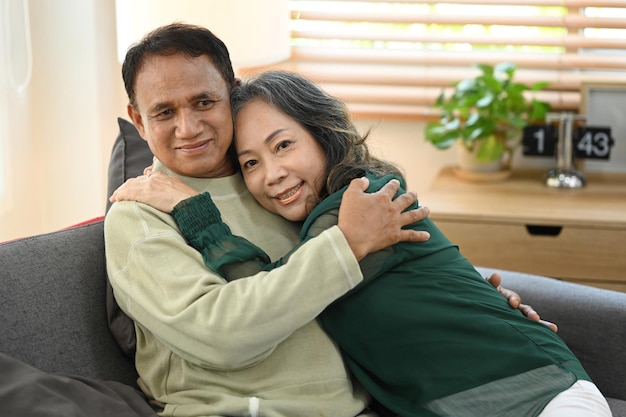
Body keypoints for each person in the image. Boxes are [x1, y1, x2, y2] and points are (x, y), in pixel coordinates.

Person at [111, 70, 612, 417]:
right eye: (250, 163)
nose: (273, 174)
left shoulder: (364, 203)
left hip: (542, 394)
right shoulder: (315, 224)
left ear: (322, 136)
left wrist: (190, 207)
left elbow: (270, 288)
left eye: (284, 145)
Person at [105, 22, 434, 417]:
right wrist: (345, 246)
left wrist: (471, 298)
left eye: (204, 102)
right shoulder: (139, 217)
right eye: (164, 112)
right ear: (139, 121)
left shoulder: (276, 183)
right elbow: (220, 336)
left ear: (232, 94)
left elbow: (382, 275)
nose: (188, 128)